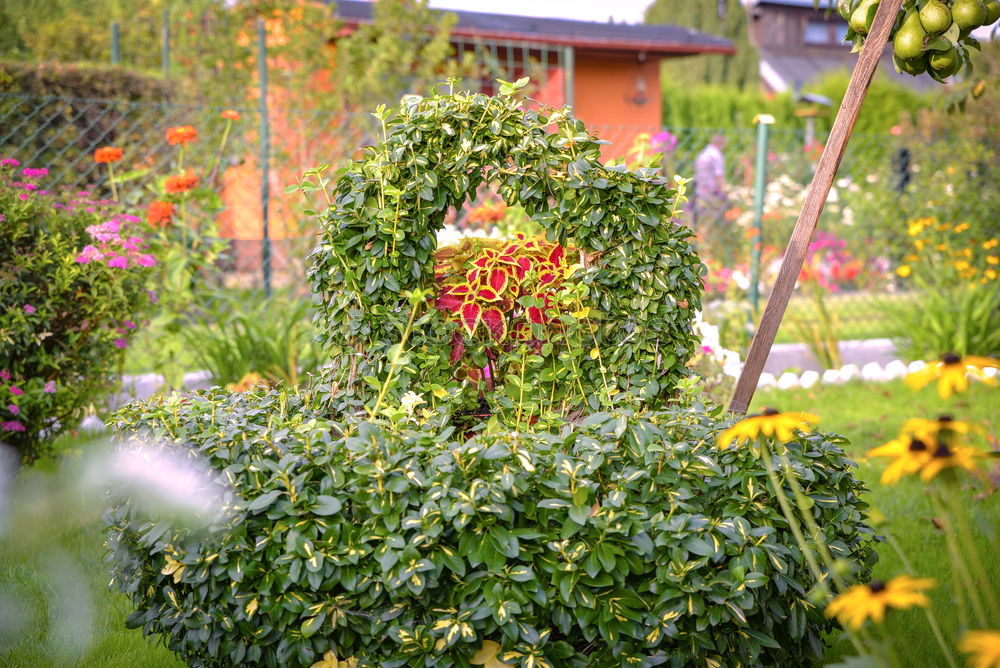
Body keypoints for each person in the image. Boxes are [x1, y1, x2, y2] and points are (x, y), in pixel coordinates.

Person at [692, 134, 728, 227]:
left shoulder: (703, 153)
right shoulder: (716, 155)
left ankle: (698, 230)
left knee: (699, 213)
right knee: (714, 214)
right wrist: (723, 190)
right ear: (721, 143)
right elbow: (718, 175)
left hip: (700, 187)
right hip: (711, 189)